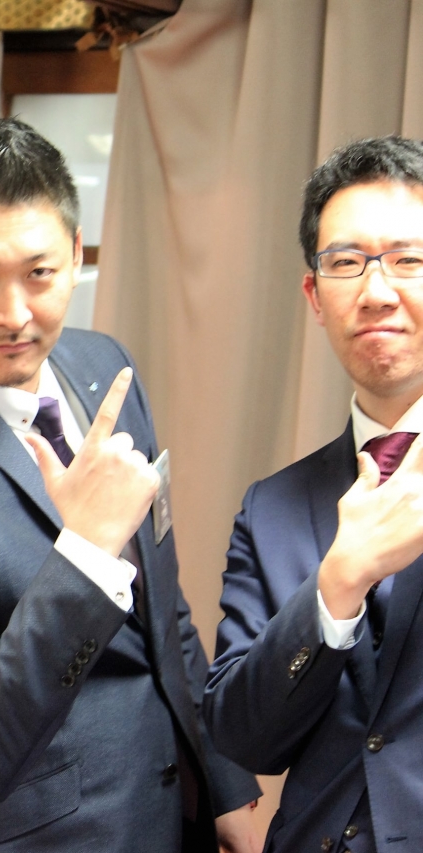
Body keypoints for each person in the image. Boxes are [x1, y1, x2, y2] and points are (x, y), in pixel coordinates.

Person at [0, 117, 261, 853]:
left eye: (39, 273)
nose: (14, 314)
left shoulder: (104, 367)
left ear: (75, 254)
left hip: (172, 809)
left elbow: (163, 608)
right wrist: (87, 554)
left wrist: (223, 778)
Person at [206, 136, 423, 852]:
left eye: (408, 259)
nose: (377, 291)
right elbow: (244, 736)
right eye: (346, 263)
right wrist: (337, 585)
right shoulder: (271, 508)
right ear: (315, 297)